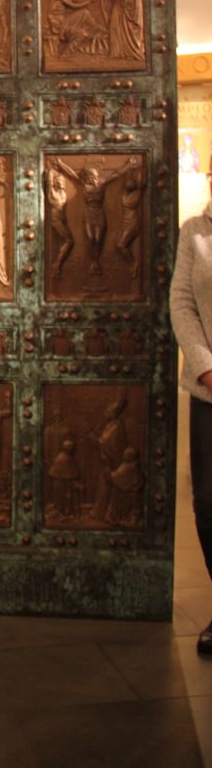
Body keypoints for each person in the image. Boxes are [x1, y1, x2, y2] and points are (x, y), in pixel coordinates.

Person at [170, 157, 212, 657]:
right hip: (210, 393)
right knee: (209, 504)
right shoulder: (195, 233)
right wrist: (205, 367)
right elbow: (182, 302)